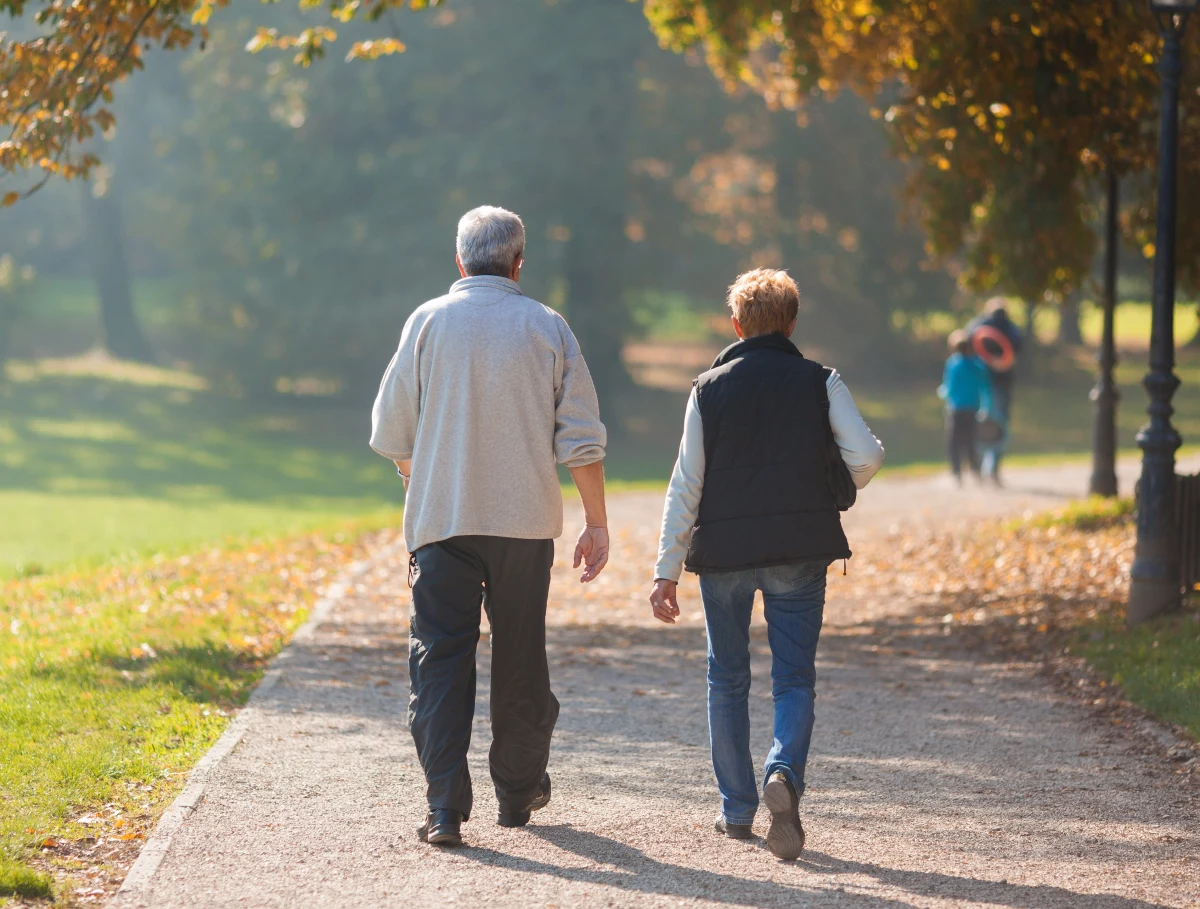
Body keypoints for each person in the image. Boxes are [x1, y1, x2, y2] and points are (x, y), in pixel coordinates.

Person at [369, 206, 610, 848]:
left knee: (441, 660)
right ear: (518, 262)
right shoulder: (547, 326)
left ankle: (445, 807)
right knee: (521, 656)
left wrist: (424, 485)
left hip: (441, 526)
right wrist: (596, 522)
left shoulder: (426, 322)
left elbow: (392, 433)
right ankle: (518, 792)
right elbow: (581, 439)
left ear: (459, 261)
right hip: (524, 526)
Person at [647, 268, 884, 860]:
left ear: (736, 325)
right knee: (794, 676)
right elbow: (868, 456)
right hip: (800, 548)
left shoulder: (707, 388)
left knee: (725, 677)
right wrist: (826, 487)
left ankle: (736, 809)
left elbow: (686, 486)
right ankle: (783, 772)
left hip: (723, 555)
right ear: (792, 322)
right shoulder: (819, 380)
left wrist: (666, 570)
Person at [967, 297, 1022, 484]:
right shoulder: (1010, 328)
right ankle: (994, 470)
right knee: (1001, 427)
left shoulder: (977, 325)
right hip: (1002, 383)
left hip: (979, 384)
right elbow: (1017, 348)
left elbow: (967, 343)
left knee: (977, 425)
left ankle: (977, 468)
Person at [938, 329, 992, 486]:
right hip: (973, 408)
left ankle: (957, 473)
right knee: (972, 441)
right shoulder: (978, 365)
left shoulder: (953, 364)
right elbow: (985, 387)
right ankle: (976, 471)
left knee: (954, 442)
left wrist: (942, 393)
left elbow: (948, 389)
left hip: (956, 409)